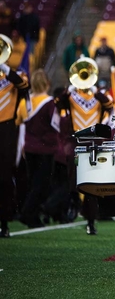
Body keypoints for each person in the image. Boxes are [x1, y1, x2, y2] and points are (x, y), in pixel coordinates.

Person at [55, 58, 114, 236]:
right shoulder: (70, 96)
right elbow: (58, 103)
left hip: (94, 140)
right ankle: (74, 200)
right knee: (73, 170)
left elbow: (109, 105)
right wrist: (69, 89)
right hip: (76, 139)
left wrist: (95, 89)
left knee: (92, 181)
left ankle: (90, 219)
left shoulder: (98, 96)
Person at [16, 69, 60, 228]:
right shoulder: (50, 103)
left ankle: (32, 217)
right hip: (45, 149)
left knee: (33, 183)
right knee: (42, 185)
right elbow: (56, 125)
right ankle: (27, 213)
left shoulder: (24, 101)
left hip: (28, 147)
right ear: (47, 83)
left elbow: (20, 122)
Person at [0, 34, 30, 238]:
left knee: (3, 177)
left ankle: (4, 221)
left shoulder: (16, 75)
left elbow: (23, 85)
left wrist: (4, 68)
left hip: (7, 128)